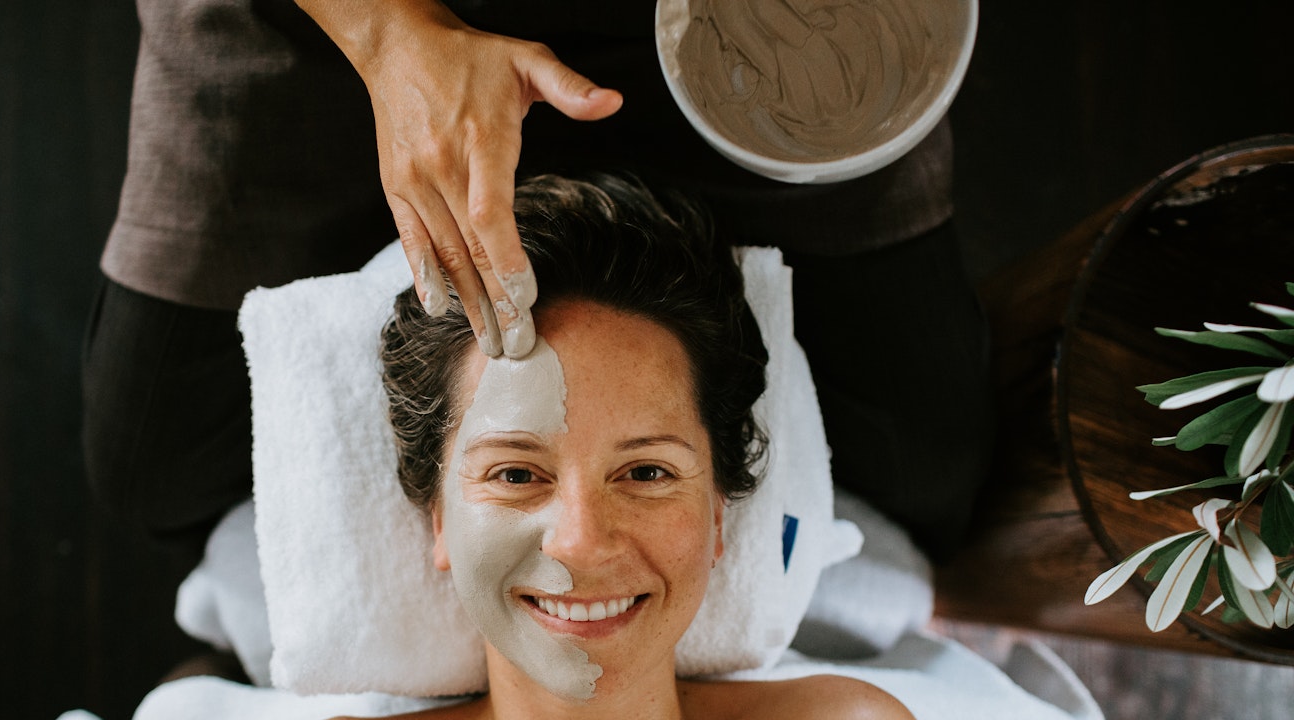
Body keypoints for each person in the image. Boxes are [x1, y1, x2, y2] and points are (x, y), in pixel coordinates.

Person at [178, 174, 1029, 720]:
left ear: (720, 514)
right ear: (438, 519)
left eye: (648, 473)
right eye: (517, 474)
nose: (581, 543)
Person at [83, 0, 993, 571]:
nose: (579, 546)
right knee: (149, 474)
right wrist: (388, 37)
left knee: (932, 471)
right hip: (324, 35)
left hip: (787, 34)